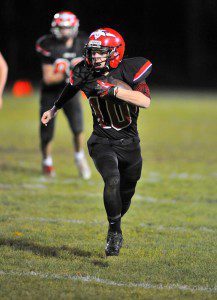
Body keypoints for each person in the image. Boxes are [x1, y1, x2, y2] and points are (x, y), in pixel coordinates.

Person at [41, 28, 152, 256]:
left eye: (101, 53)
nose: (95, 57)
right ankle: (114, 233)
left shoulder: (129, 70)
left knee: (126, 193)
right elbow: (71, 88)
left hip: (130, 142)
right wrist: (54, 109)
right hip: (102, 140)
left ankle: (115, 222)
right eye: (93, 52)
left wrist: (112, 91)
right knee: (112, 179)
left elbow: (145, 101)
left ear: (115, 53)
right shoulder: (84, 71)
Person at [36, 11, 91, 179]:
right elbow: (48, 78)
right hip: (51, 93)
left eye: (67, 27)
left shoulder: (83, 42)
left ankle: (79, 156)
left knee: (78, 128)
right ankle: (47, 161)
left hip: (71, 91)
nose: (64, 31)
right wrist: (70, 73)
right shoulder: (48, 44)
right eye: (61, 27)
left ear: (74, 28)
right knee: (47, 131)